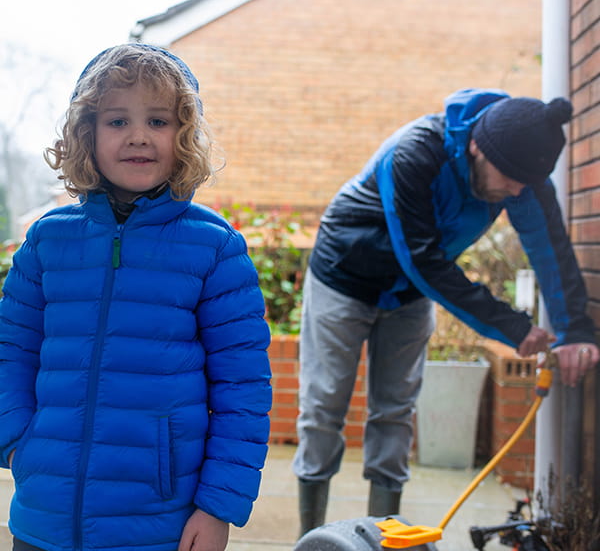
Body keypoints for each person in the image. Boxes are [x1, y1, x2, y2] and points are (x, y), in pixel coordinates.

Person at [0, 43, 272, 551]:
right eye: (118, 121)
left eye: (159, 121)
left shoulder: (215, 248)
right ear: (88, 133)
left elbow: (244, 391)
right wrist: (18, 443)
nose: (139, 137)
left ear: (184, 133)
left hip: (158, 523)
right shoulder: (48, 240)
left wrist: (218, 508)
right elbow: (10, 351)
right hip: (45, 517)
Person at [292, 88, 599, 536]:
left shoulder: (522, 172)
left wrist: (575, 331)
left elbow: (551, 254)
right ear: (477, 145)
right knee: (323, 409)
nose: (516, 190)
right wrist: (511, 326)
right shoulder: (416, 152)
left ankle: (384, 538)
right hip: (343, 279)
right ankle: (309, 539)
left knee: (395, 413)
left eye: (526, 184)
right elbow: (421, 257)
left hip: (408, 297)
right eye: (510, 178)